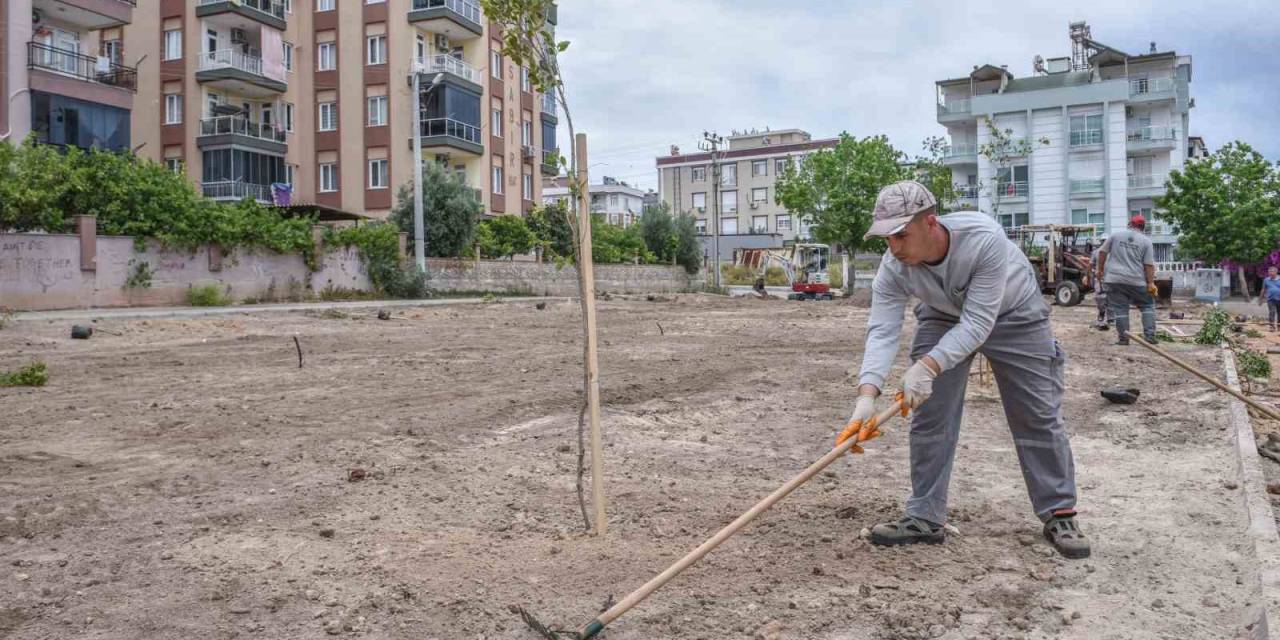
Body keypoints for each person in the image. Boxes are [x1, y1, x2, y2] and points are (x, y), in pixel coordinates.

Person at [840, 180, 1089, 559]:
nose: (894, 247)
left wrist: (926, 366)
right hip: (941, 314)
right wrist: (867, 394)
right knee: (929, 413)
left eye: (901, 235)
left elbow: (978, 322)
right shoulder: (893, 267)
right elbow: (882, 329)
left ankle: (1059, 512)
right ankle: (924, 515)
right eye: (886, 239)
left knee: (1036, 412)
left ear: (930, 223)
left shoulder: (983, 239)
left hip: (1013, 313)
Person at [1096, 216, 1158, 345]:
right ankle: (1150, 336)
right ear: (1143, 227)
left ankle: (1124, 339)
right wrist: (1151, 283)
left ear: (1129, 224)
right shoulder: (1146, 241)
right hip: (1136, 280)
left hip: (1114, 279)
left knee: (1120, 309)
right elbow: (1148, 264)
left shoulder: (1115, 235)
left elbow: (1102, 252)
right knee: (1147, 306)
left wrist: (1100, 270)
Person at [1091, 238, 1112, 330]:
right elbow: (1091, 264)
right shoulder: (1096, 252)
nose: (1104, 242)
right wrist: (1087, 276)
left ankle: (1111, 318)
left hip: (1111, 278)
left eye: (1105, 241)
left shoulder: (1113, 253)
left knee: (1111, 298)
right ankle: (1102, 313)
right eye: (1103, 241)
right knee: (1100, 298)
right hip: (1099, 279)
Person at [1260, 266, 1280, 331]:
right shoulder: (1266, 280)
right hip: (1270, 299)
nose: (1270, 273)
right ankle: (1272, 327)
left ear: (1276, 272)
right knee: (1272, 312)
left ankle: (1279, 326)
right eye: (1269, 272)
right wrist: (1261, 299)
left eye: (1272, 271)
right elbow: (1263, 289)